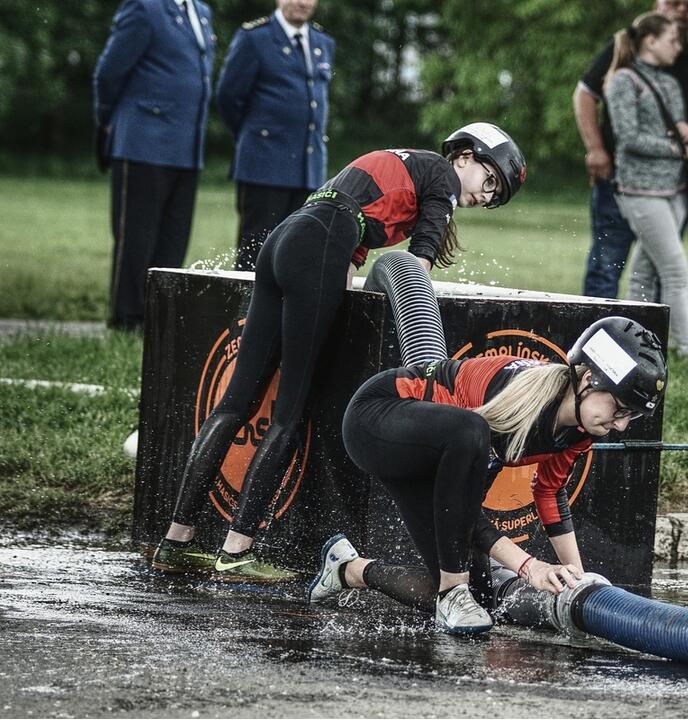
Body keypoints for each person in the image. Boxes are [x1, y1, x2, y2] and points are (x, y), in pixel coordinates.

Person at [150, 122, 527, 582]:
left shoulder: (405, 160)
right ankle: (236, 551)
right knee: (290, 412)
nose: (487, 197)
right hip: (321, 243)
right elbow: (419, 261)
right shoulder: (442, 176)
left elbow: (353, 224)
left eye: (497, 196)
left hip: (287, 236)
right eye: (490, 182)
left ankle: (175, 540)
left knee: (234, 403)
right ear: (464, 156)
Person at [305, 316, 667, 635]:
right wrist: (530, 567)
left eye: (630, 416)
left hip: (430, 461)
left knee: (480, 597)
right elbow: (466, 502)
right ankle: (452, 591)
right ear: (589, 378)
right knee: (471, 430)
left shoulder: (580, 432)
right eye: (619, 409)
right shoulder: (514, 393)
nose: (620, 425)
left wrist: (577, 578)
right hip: (377, 419)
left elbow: (550, 494)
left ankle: (348, 569)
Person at [575, 0, 688, 301]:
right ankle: (595, 336)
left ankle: (648, 343)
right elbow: (585, 94)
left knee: (662, 268)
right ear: (657, 5)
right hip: (620, 179)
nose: (681, 10)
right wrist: (596, 148)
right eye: (673, 3)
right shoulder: (625, 52)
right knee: (607, 264)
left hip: (676, 184)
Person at [93, 0, 216, 331]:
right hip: (143, 142)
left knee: (173, 238)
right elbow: (109, 71)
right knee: (137, 236)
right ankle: (126, 319)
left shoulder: (200, 12)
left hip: (186, 146)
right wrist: (108, 121)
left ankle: (156, 319)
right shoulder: (144, 8)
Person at [601, 13, 688, 358]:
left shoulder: (670, 84)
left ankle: (635, 348)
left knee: (644, 275)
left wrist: (680, 133)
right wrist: (681, 148)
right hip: (640, 192)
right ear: (650, 40)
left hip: (674, 191)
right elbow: (629, 138)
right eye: (672, 40)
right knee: (676, 271)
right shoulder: (622, 81)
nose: (678, 47)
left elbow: (670, 128)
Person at [216, 0, 336, 271]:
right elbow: (227, 97)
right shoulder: (255, 38)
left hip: (308, 168)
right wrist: (254, 138)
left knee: (299, 253)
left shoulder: (322, 41)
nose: (302, 2)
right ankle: (246, 314)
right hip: (264, 166)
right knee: (255, 253)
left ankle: (285, 315)